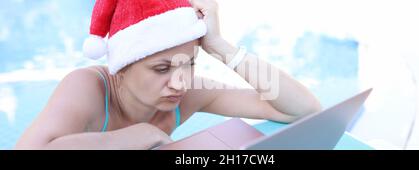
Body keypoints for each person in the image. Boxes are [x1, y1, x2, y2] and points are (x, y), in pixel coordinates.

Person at [15, 0, 321, 150]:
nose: (180, 82)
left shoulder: (189, 93)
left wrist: (220, 47)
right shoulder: (87, 87)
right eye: (162, 68)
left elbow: (301, 110)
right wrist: (137, 136)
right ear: (121, 68)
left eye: (189, 63)